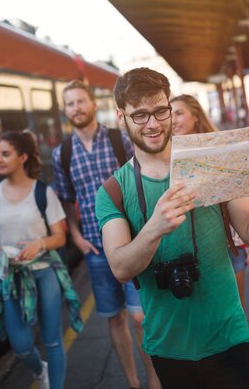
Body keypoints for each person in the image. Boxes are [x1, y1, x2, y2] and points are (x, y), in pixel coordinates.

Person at [95, 68, 249, 389]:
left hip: (229, 337)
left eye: (160, 111)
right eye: (140, 116)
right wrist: (155, 227)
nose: (153, 124)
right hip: (168, 347)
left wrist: (240, 181)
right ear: (121, 117)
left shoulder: (208, 163)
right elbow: (121, 268)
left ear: (169, 105)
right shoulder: (113, 191)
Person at [52, 80, 160, 389]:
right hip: (95, 249)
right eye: (70, 104)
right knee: (115, 318)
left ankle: (153, 381)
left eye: (81, 101)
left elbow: (143, 174)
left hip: (129, 240)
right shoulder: (63, 153)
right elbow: (66, 198)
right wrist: (74, 234)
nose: (77, 108)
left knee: (140, 317)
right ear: (65, 110)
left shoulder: (118, 140)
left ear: (93, 104)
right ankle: (132, 382)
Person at [0, 130, 82, 389]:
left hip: (44, 272)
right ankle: (39, 370)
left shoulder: (43, 193)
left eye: (5, 154)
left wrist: (40, 243)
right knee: (22, 346)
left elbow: (60, 236)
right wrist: (0, 251)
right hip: (12, 277)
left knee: (53, 341)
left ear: (22, 157)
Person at [171, 94, 248, 309]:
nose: (173, 120)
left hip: (230, 238)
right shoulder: (167, 154)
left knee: (236, 307)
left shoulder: (222, 147)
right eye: (170, 115)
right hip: (195, 243)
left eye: (179, 113)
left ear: (195, 116)